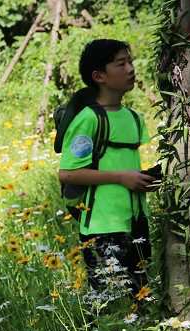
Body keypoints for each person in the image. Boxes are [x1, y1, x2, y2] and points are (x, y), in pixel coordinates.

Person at [58, 39, 154, 295]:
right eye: (121, 64)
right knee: (108, 306)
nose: (131, 69)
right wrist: (121, 178)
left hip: (136, 222)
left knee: (140, 299)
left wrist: (143, 180)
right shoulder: (88, 120)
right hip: (102, 226)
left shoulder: (135, 118)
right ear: (99, 76)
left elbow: (127, 165)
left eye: (130, 62)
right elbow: (68, 173)